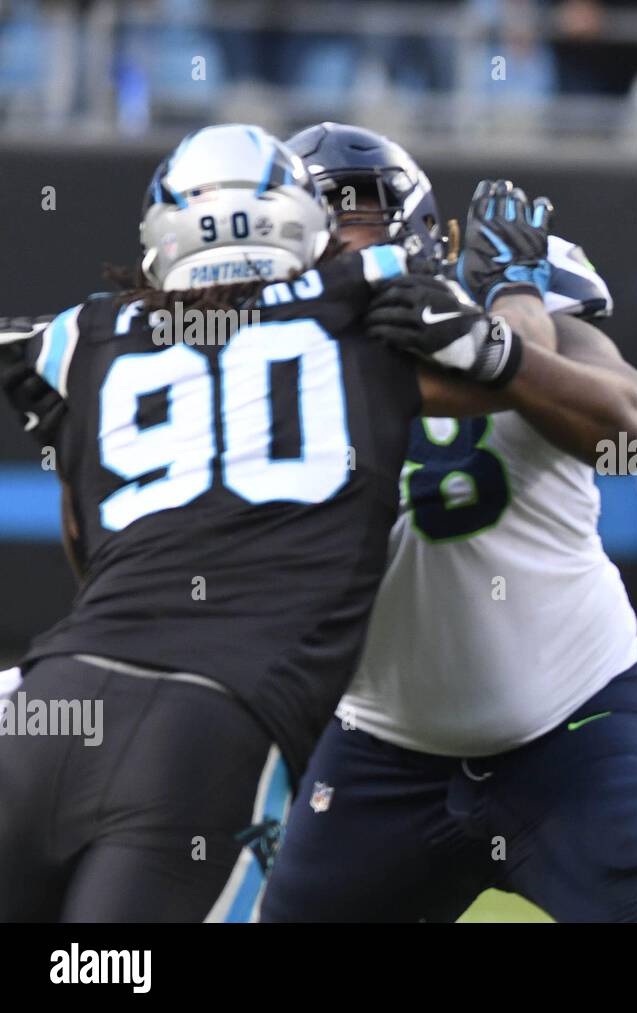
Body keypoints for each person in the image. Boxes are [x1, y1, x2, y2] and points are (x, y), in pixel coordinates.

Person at [0, 123, 554, 922]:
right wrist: (517, 287)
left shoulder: (81, 335)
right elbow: (522, 367)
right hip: (211, 728)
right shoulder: (372, 289)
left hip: (50, 700)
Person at [259, 123, 637, 923]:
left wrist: (506, 336)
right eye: (317, 218)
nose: (339, 239)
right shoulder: (265, 357)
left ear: (421, 228)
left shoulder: (507, 290)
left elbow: (630, 433)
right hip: (380, 746)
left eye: (358, 214)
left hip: (579, 721)